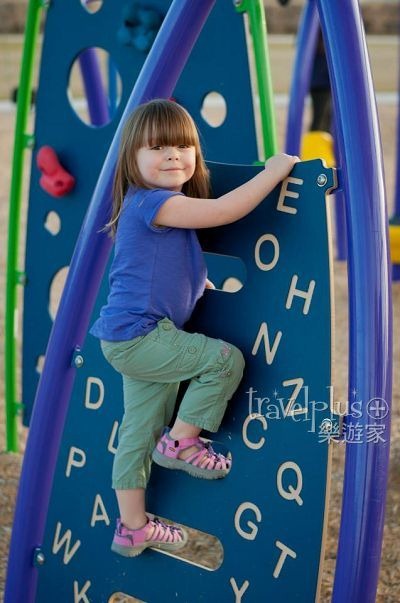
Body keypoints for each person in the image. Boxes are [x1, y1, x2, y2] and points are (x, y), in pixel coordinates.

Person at [90, 99, 299, 558]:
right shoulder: (155, 202)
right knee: (224, 361)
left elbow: (154, 263)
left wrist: (192, 279)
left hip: (127, 339)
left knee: (137, 434)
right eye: (157, 147)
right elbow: (224, 210)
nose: (173, 155)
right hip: (143, 336)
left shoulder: (149, 207)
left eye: (183, 146)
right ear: (131, 158)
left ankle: (132, 528)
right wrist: (273, 171)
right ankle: (182, 442)